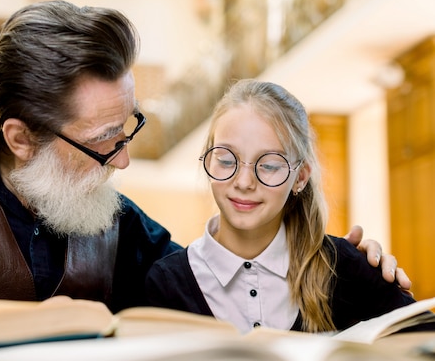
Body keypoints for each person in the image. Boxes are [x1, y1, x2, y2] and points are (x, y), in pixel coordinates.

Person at [0, 2, 406, 352]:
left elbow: (210, 281)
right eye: (103, 143)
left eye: (130, 129)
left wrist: (334, 260)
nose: (122, 161)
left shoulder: (120, 226)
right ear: (21, 139)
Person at [145, 79, 418, 333]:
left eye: (269, 165)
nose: (243, 182)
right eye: (226, 160)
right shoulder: (165, 283)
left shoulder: (347, 269)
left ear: (300, 177)